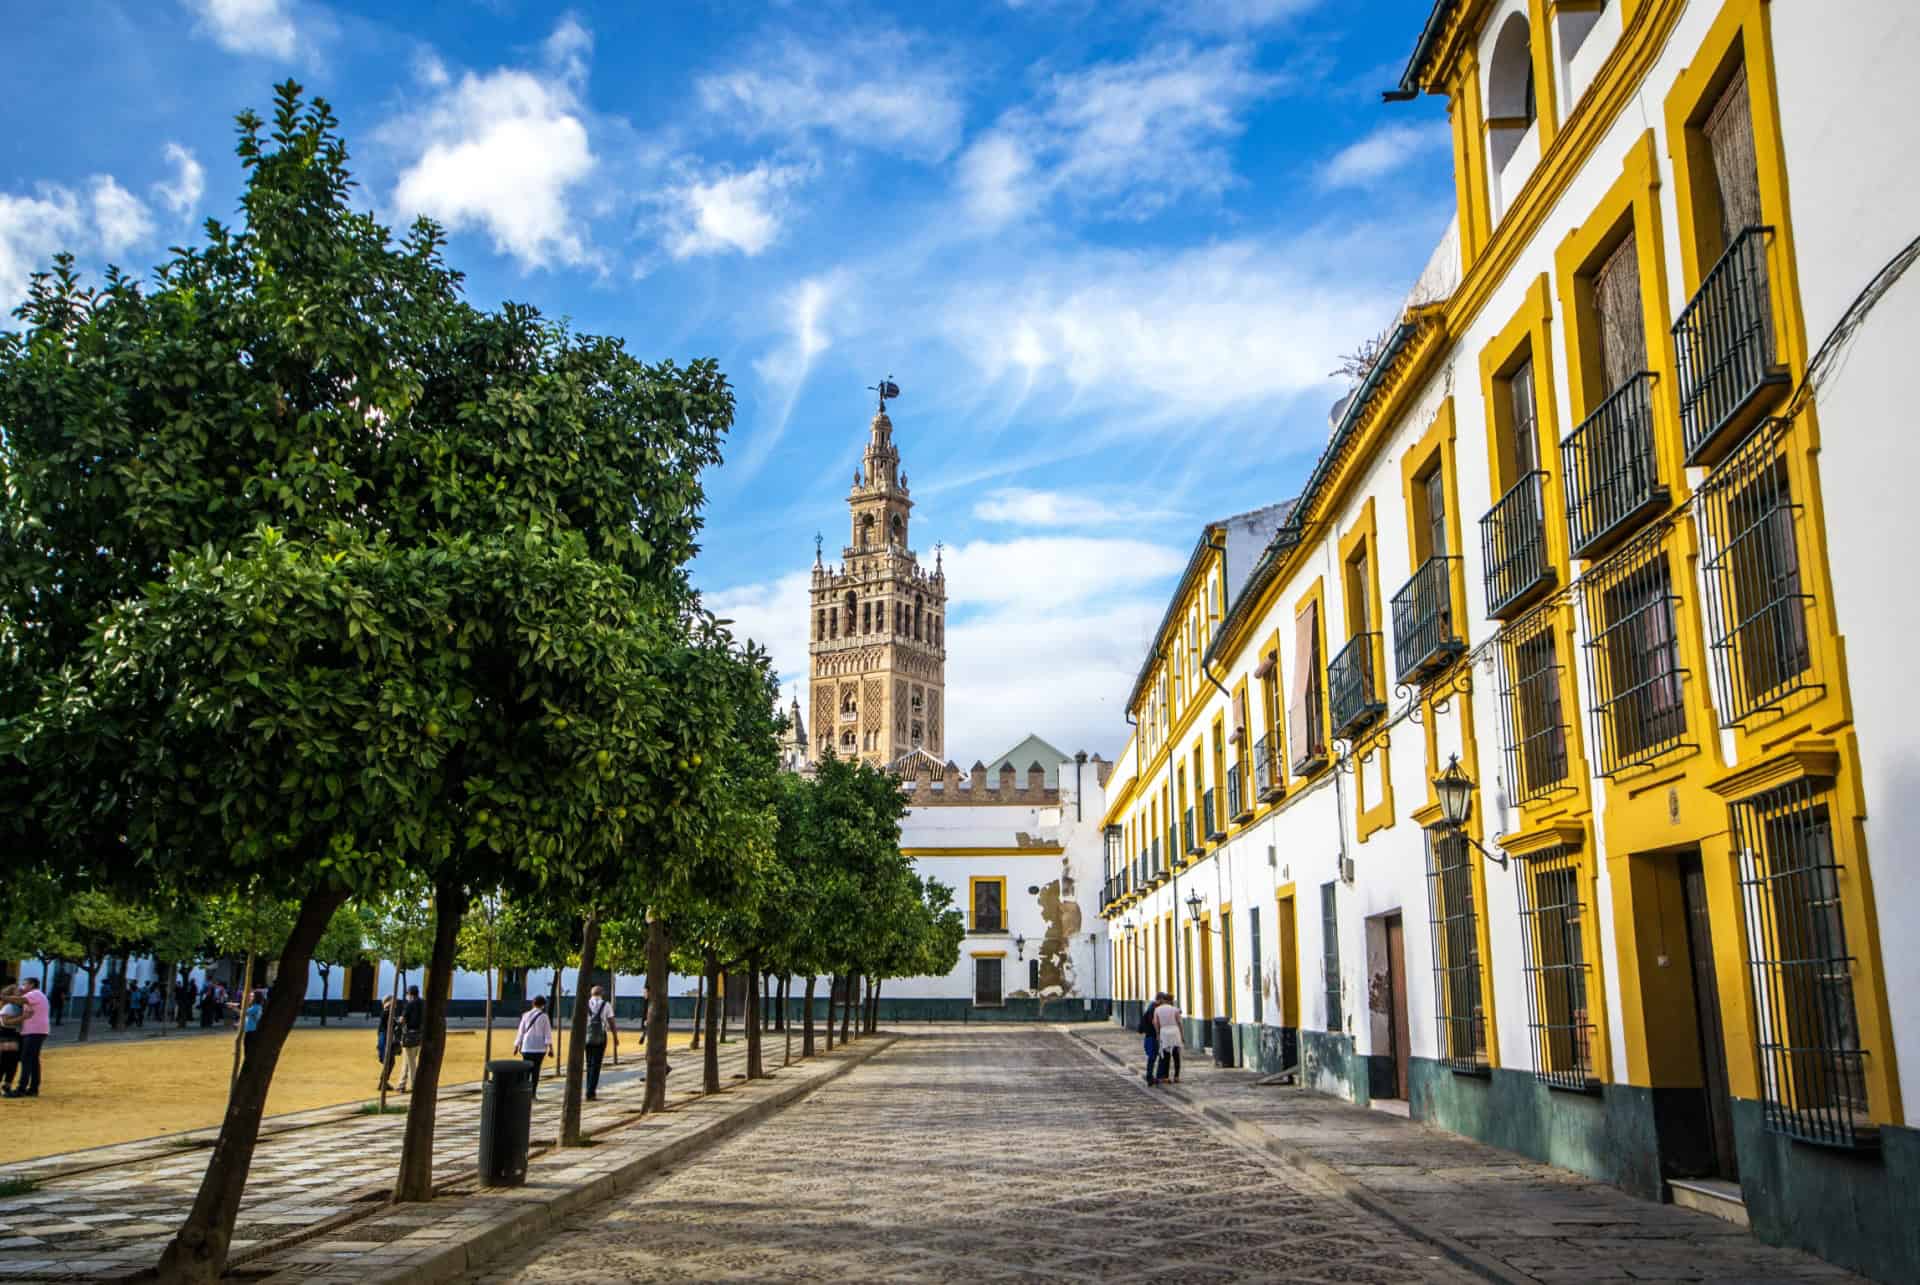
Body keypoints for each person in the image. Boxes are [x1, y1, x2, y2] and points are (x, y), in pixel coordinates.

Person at [7, 978, 49, 1098]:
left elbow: (19, 1000)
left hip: (34, 1031)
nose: (22, 986)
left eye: (24, 984)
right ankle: (33, 1088)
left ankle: (21, 1088)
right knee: (33, 1060)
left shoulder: (33, 994)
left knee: (26, 1059)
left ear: (31, 985)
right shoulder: (37, 994)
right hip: (37, 1031)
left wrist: (3, 997)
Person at [582, 984, 618, 1101]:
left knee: (588, 1064)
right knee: (596, 1065)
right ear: (602, 993)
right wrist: (615, 1036)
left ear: (591, 993)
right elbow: (611, 1022)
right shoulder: (606, 1005)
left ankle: (588, 1088)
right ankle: (591, 1092)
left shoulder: (585, 1003)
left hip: (587, 1037)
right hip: (601, 1037)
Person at [514, 996, 552, 1098]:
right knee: (536, 1071)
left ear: (533, 1004)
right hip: (539, 1048)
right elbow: (547, 1033)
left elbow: (520, 1031)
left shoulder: (525, 1015)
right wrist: (550, 1048)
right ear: (543, 1005)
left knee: (526, 1070)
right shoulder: (544, 1016)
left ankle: (525, 1092)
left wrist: (517, 1045)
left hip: (527, 1046)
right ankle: (533, 1093)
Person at [1152, 991, 1183, 1085]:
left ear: (1164, 1000)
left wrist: (1157, 1034)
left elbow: (1156, 1023)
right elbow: (1179, 1023)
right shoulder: (1175, 1010)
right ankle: (1176, 1076)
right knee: (1176, 1056)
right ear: (1170, 1001)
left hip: (1164, 1033)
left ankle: (1165, 1077)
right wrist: (1182, 1035)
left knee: (1166, 1056)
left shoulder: (1157, 1010)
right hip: (1175, 1032)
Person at [398, 985, 424, 1092]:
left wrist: (398, 1021)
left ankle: (414, 1085)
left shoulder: (410, 1004)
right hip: (420, 1035)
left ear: (410, 994)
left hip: (410, 1035)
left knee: (411, 1062)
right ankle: (401, 1084)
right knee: (408, 1060)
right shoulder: (423, 1004)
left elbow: (402, 1020)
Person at [0, 986, 22, 1095]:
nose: (21, 992)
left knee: (12, 1061)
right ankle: (6, 1085)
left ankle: (7, 1085)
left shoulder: (17, 1006)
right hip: (8, 1034)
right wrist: (23, 1018)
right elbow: (5, 1022)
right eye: (18, 991)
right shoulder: (9, 1007)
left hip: (14, 1034)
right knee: (6, 1061)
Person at [1137, 993, 1161, 1087]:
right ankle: (1149, 1077)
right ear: (1160, 999)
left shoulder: (1151, 1007)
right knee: (1152, 1057)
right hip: (1151, 1036)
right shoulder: (1153, 1009)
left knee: (1152, 1056)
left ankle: (1150, 1076)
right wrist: (1158, 1032)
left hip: (1150, 1036)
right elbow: (1153, 1022)